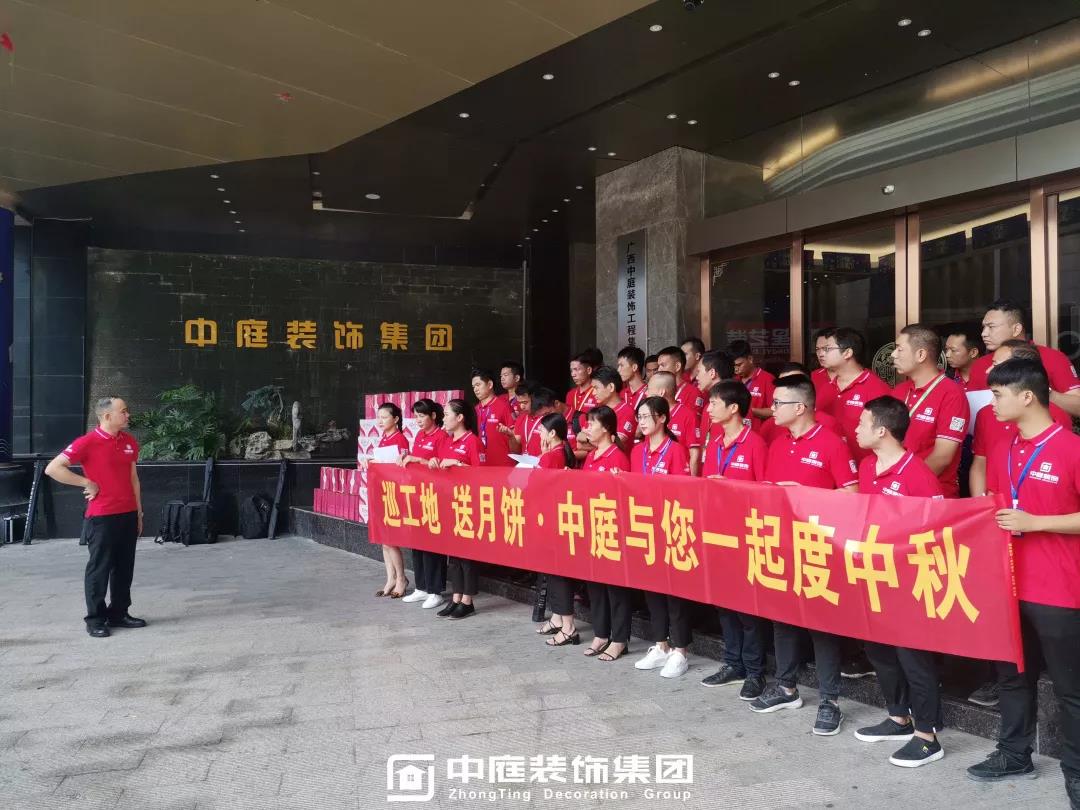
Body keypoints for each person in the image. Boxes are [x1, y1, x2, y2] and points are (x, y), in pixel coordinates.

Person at [966, 359, 1080, 810]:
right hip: (1007, 585)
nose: (990, 403)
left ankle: (1076, 772)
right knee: (1012, 678)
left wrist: (1037, 523)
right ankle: (1014, 754)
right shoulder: (1003, 447)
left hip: (1060, 589)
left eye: (997, 394)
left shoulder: (1071, 448)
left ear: (1027, 396)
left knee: (1071, 690)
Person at [750, 374, 858, 736]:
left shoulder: (831, 444)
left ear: (800, 407)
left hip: (819, 548)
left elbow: (853, 495)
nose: (771, 409)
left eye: (777, 403)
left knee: (821, 626)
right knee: (782, 619)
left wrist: (807, 495)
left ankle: (830, 701)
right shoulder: (778, 443)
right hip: (782, 543)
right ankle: (786, 687)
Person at [852, 396, 946, 768]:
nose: (856, 429)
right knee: (879, 650)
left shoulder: (917, 474)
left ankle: (927, 737)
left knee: (913, 657)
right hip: (874, 575)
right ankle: (898, 717)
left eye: (862, 424)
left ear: (882, 430)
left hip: (909, 580)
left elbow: (937, 529)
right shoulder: (867, 466)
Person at [46, 396, 145, 638]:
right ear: (107, 416)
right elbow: (53, 468)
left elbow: (133, 479)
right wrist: (86, 482)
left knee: (124, 568)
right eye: (124, 411)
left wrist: (139, 512)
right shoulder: (88, 442)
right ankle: (95, 619)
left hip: (128, 512)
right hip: (102, 516)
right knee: (99, 568)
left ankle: (119, 612)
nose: (128, 415)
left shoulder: (129, 441)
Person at [698, 381, 769, 701]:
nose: (709, 409)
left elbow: (766, 492)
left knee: (748, 609)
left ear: (734, 408)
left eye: (714, 403)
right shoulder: (714, 442)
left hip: (747, 535)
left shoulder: (755, 443)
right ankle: (732, 663)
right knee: (724, 603)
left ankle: (754, 672)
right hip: (718, 533)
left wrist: (730, 488)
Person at [629, 397, 694, 678]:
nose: (641, 422)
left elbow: (684, 491)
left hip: (671, 527)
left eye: (646, 416)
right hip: (646, 527)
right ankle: (661, 645)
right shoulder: (637, 451)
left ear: (663, 418)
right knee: (652, 589)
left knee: (674, 592)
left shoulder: (676, 450)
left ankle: (680, 651)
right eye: (639, 417)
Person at [890, 324, 969, 497]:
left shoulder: (952, 394)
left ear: (921, 355)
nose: (893, 355)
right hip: (893, 490)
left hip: (931, 493)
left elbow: (943, 456)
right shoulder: (899, 391)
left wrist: (905, 483)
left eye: (899, 349)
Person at [578, 406, 632, 662]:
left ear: (607, 428)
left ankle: (619, 639)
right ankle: (600, 633)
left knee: (615, 588)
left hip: (612, 529)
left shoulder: (617, 457)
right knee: (595, 585)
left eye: (592, 423)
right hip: (593, 527)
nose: (587, 428)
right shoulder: (591, 456)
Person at [967, 298, 1080, 416]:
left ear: (1016, 329)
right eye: (984, 327)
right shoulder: (979, 365)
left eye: (991, 327)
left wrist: (1042, 392)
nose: (984, 333)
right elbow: (972, 410)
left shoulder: (1052, 357)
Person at [431, 399, 483, 620]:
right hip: (449, 503)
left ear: (460, 417)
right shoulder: (446, 441)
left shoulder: (473, 441)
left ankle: (467, 601)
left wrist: (458, 465)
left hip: (467, 504)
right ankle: (456, 597)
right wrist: (434, 462)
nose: (443, 418)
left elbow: (482, 475)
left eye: (446, 414)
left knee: (467, 556)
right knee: (453, 555)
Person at [533, 413, 581, 647]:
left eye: (542, 430)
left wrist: (540, 458)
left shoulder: (551, 456)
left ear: (552, 433)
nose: (539, 433)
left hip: (551, 521)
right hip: (558, 520)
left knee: (558, 574)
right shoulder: (560, 453)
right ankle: (558, 617)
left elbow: (533, 485)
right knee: (554, 573)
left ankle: (569, 626)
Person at [398, 399, 449, 610]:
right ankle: (421, 586)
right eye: (416, 416)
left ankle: (435, 591)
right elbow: (414, 461)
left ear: (433, 416)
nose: (418, 420)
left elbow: (442, 467)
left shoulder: (442, 436)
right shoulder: (419, 435)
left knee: (432, 545)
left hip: (435, 496)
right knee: (417, 543)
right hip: (417, 494)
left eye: (422, 416)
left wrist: (418, 461)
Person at [360, 402, 411, 599]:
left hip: (394, 492)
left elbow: (400, 467)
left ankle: (401, 579)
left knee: (391, 540)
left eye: (384, 417)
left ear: (396, 419)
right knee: (384, 539)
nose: (380, 421)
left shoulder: (400, 439)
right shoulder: (384, 438)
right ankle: (390, 578)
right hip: (382, 490)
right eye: (378, 417)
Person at [823, 327, 891, 464]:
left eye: (828, 349)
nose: (821, 354)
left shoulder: (876, 388)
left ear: (847, 353)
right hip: (828, 466)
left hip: (864, 467)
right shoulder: (825, 387)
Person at [758, 363, 844, 445]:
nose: (786, 387)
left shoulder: (829, 424)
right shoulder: (769, 426)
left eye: (794, 382)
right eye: (782, 383)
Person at [646, 371, 702, 476]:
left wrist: (692, 482)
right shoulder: (649, 414)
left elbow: (694, 454)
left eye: (648, 389)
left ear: (661, 392)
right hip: (651, 474)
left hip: (677, 477)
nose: (646, 393)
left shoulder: (688, 415)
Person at [471, 369, 514, 467]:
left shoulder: (504, 406)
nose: (475, 389)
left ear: (490, 384)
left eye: (478, 385)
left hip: (503, 465)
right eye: (473, 387)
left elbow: (515, 435)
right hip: (482, 465)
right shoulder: (475, 409)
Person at [728, 338, 776, 427]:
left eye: (739, 365)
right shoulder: (733, 381)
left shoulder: (768, 379)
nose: (736, 369)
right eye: (733, 366)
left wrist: (749, 411)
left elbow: (775, 411)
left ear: (750, 359)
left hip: (760, 433)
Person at [694, 349, 735, 447]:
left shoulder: (733, 407)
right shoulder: (707, 407)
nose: (696, 377)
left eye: (699, 371)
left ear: (712, 373)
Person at [657, 346, 705, 417]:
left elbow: (692, 421)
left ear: (677, 366)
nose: (659, 370)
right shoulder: (658, 390)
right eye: (658, 366)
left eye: (663, 365)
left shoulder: (693, 393)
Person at [566, 350, 600, 438]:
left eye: (576, 370)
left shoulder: (597, 392)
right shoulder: (570, 394)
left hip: (591, 438)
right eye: (571, 370)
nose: (573, 374)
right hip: (571, 439)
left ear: (589, 370)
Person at [944, 325, 983, 390]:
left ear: (973, 352)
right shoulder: (945, 379)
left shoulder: (990, 377)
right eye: (946, 349)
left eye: (953, 350)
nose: (947, 355)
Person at [811, 327, 839, 414]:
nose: (820, 354)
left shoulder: (864, 378)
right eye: (817, 349)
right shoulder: (813, 376)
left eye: (827, 349)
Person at [617, 346, 649, 415]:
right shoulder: (621, 394)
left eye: (621, 365)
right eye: (618, 366)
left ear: (634, 367)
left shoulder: (649, 393)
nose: (618, 370)